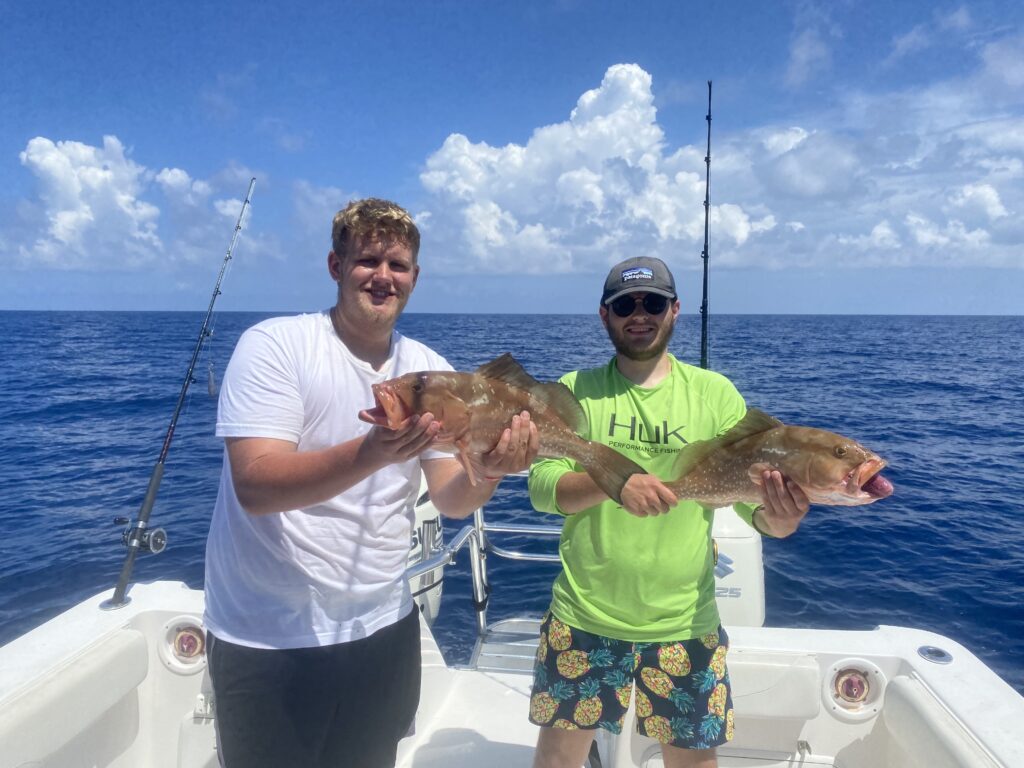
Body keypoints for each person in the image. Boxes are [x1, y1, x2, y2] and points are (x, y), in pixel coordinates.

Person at [203, 197, 539, 768]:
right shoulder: (276, 346)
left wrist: (493, 471)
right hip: (268, 637)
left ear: (415, 279)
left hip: (383, 626)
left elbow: (453, 499)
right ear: (336, 266)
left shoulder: (429, 368)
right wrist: (372, 451)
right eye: (368, 260)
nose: (383, 277)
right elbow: (256, 487)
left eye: (398, 266)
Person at [526, 257, 809, 768]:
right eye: (625, 305)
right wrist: (611, 484)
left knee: (694, 760)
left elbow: (752, 508)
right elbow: (544, 489)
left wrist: (781, 520)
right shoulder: (574, 391)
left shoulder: (715, 394)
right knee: (559, 758)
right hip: (584, 616)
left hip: (684, 622)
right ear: (604, 315)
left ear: (675, 310)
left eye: (653, 303)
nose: (640, 314)